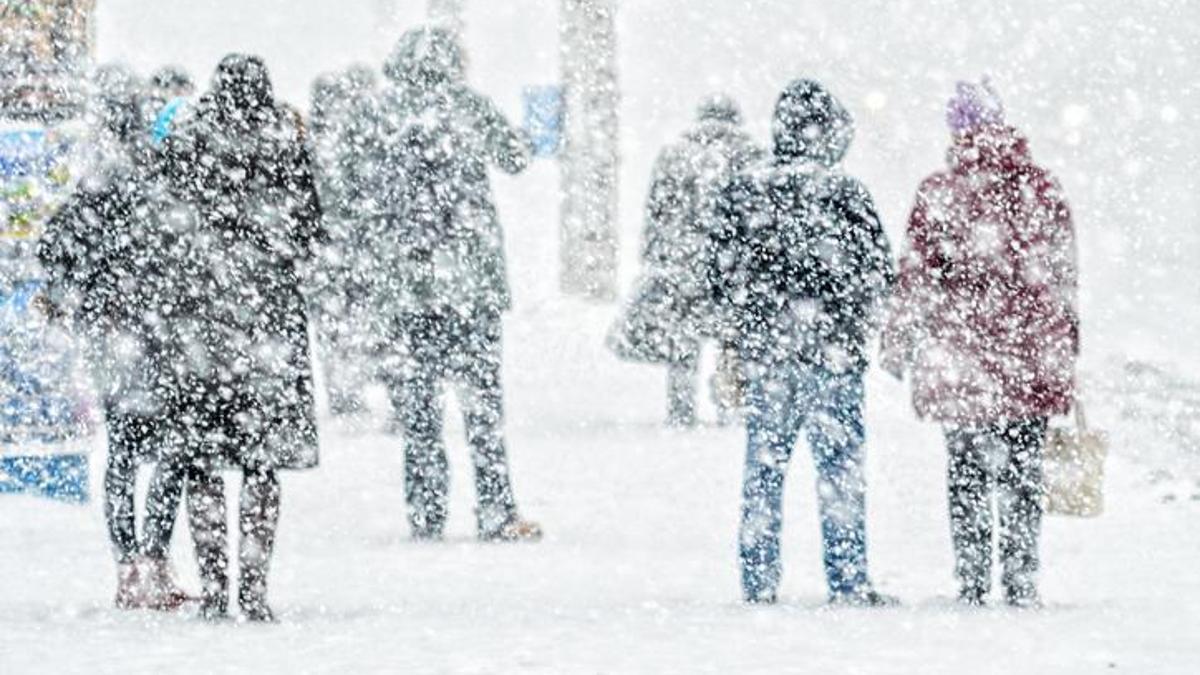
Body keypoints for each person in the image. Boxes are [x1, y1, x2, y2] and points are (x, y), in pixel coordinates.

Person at [881, 79, 1079, 609]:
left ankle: (972, 582)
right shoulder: (1042, 189)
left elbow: (916, 275)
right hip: (1030, 356)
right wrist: (1065, 350)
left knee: (966, 474)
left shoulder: (940, 192)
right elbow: (1062, 278)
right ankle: (1020, 580)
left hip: (962, 358)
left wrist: (898, 342)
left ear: (956, 130)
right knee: (1023, 473)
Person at [346, 26, 540, 542]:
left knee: (420, 409)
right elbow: (516, 158)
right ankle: (496, 511)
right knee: (483, 407)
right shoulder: (467, 106)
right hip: (470, 287)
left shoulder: (376, 113)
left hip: (409, 288)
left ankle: (427, 513)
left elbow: (348, 184)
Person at [708, 79, 896, 606]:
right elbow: (879, 273)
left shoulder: (743, 189)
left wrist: (746, 324)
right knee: (840, 471)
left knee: (764, 471)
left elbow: (720, 274)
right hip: (833, 355)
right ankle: (849, 579)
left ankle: (758, 580)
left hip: (768, 353)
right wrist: (848, 313)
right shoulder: (845, 193)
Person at [162, 54, 324, 621]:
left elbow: (162, 228)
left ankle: (214, 590)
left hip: (199, 325)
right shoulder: (285, 141)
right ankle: (254, 592)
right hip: (267, 324)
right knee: (262, 464)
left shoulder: (187, 142)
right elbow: (310, 230)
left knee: (201, 462)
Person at [38, 64, 191, 610]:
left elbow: (55, 249)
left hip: (110, 328)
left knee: (123, 449)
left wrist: (75, 293)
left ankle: (129, 568)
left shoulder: (97, 180)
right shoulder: (162, 175)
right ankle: (155, 559)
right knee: (172, 450)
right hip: (164, 330)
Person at [610, 96, 762, 427]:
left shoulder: (674, 155)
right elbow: (757, 216)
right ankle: (730, 406)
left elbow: (656, 212)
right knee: (732, 337)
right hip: (729, 265)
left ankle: (681, 410)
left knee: (684, 337)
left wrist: (651, 257)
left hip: (680, 262)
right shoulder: (751, 156)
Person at [309, 66, 377, 417]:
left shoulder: (310, 143)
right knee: (355, 319)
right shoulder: (362, 140)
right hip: (354, 248)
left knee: (334, 323)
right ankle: (350, 387)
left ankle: (344, 390)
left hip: (328, 250)